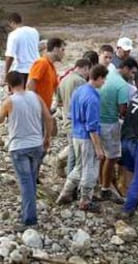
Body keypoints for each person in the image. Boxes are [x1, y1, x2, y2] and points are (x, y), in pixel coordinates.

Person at [0, 71, 53, 228]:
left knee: (26, 183)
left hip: (19, 147)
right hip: (37, 145)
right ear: (23, 82)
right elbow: (48, 118)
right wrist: (47, 138)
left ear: (9, 85)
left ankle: (30, 220)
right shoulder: (35, 97)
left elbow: (1, 119)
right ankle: (28, 210)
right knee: (31, 180)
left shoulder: (9, 101)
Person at [56, 64, 108, 212]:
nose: (104, 83)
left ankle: (65, 193)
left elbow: (71, 114)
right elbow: (92, 127)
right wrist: (98, 148)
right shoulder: (92, 98)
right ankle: (85, 201)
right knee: (89, 170)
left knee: (79, 167)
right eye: (103, 80)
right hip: (87, 138)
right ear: (98, 78)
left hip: (76, 134)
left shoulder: (79, 91)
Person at [99, 58, 138, 203]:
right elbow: (123, 110)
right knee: (112, 157)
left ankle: (102, 182)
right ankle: (105, 188)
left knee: (102, 156)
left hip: (98, 120)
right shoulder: (123, 86)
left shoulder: (108, 75)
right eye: (132, 73)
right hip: (110, 122)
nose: (133, 76)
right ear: (126, 69)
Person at [56, 58, 92, 176]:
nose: (88, 74)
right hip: (78, 124)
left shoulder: (63, 80)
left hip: (67, 121)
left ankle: (70, 181)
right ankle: (72, 184)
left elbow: (59, 102)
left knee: (73, 152)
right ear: (85, 68)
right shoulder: (81, 82)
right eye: (88, 71)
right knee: (76, 156)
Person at [27, 38, 64, 110]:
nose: (64, 53)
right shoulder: (42, 63)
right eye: (62, 50)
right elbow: (30, 86)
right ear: (55, 49)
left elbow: (56, 88)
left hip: (44, 110)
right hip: (36, 110)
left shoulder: (51, 67)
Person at [3, 13, 40, 87]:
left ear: (12, 23)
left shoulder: (13, 34)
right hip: (36, 68)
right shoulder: (34, 31)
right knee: (33, 95)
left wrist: (6, 74)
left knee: (18, 96)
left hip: (21, 70)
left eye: (10, 25)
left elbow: (10, 56)